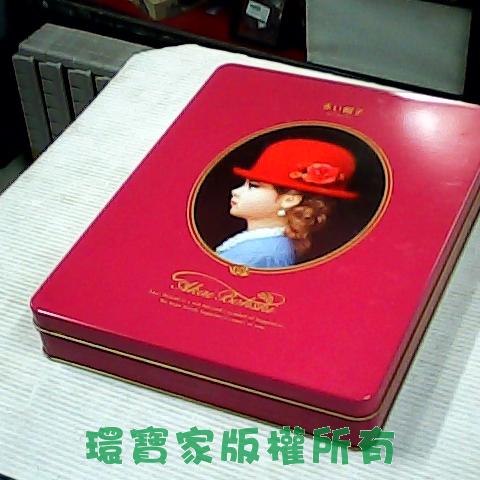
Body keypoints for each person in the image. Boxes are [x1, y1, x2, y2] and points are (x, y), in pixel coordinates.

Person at [215, 138, 359, 268]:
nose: (236, 191)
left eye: (253, 186)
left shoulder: (262, 253)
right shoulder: (262, 244)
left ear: (289, 200)